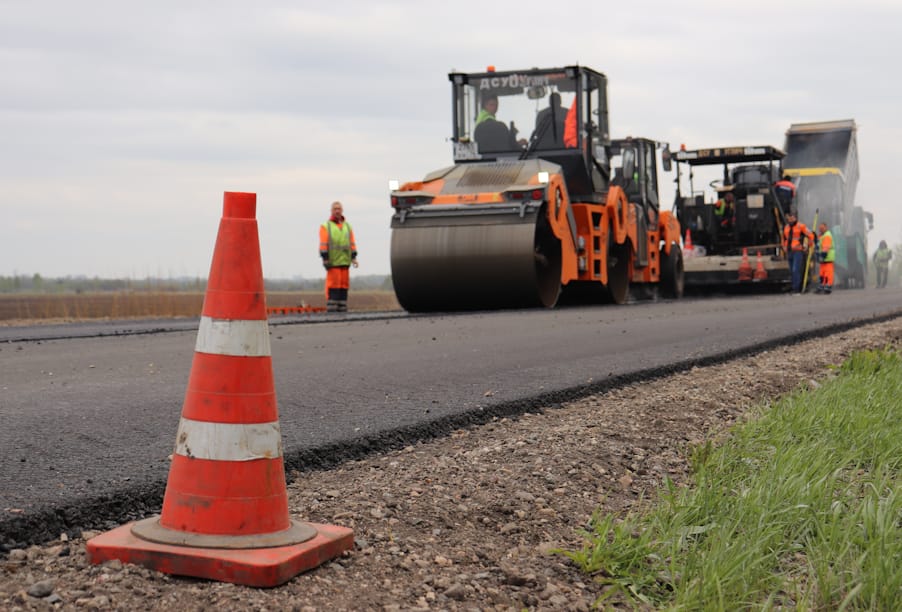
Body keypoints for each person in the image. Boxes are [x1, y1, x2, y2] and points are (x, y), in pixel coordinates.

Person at [319, 201, 358, 312]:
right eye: (335, 209)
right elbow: (323, 244)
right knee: (333, 284)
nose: (337, 211)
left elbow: (352, 243)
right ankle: (332, 308)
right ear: (331, 211)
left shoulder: (347, 226)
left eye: (339, 209)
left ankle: (342, 308)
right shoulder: (326, 226)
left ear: (342, 210)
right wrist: (325, 258)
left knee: (344, 285)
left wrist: (354, 257)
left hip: (345, 261)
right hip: (333, 262)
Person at [782, 210, 815, 294]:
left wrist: (808, 246)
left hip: (798, 251)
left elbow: (811, 235)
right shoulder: (786, 227)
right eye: (789, 218)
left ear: (795, 218)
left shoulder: (801, 226)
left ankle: (796, 288)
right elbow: (784, 239)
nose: (791, 219)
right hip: (790, 251)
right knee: (792, 271)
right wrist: (784, 247)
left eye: (792, 218)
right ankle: (794, 287)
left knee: (795, 270)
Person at [815, 222, 835, 294]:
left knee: (828, 273)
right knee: (822, 273)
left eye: (822, 228)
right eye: (820, 228)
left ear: (826, 227)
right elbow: (818, 244)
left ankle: (828, 286)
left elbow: (825, 247)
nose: (821, 229)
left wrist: (822, 255)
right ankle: (822, 285)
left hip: (827, 257)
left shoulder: (827, 235)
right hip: (824, 258)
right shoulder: (822, 235)